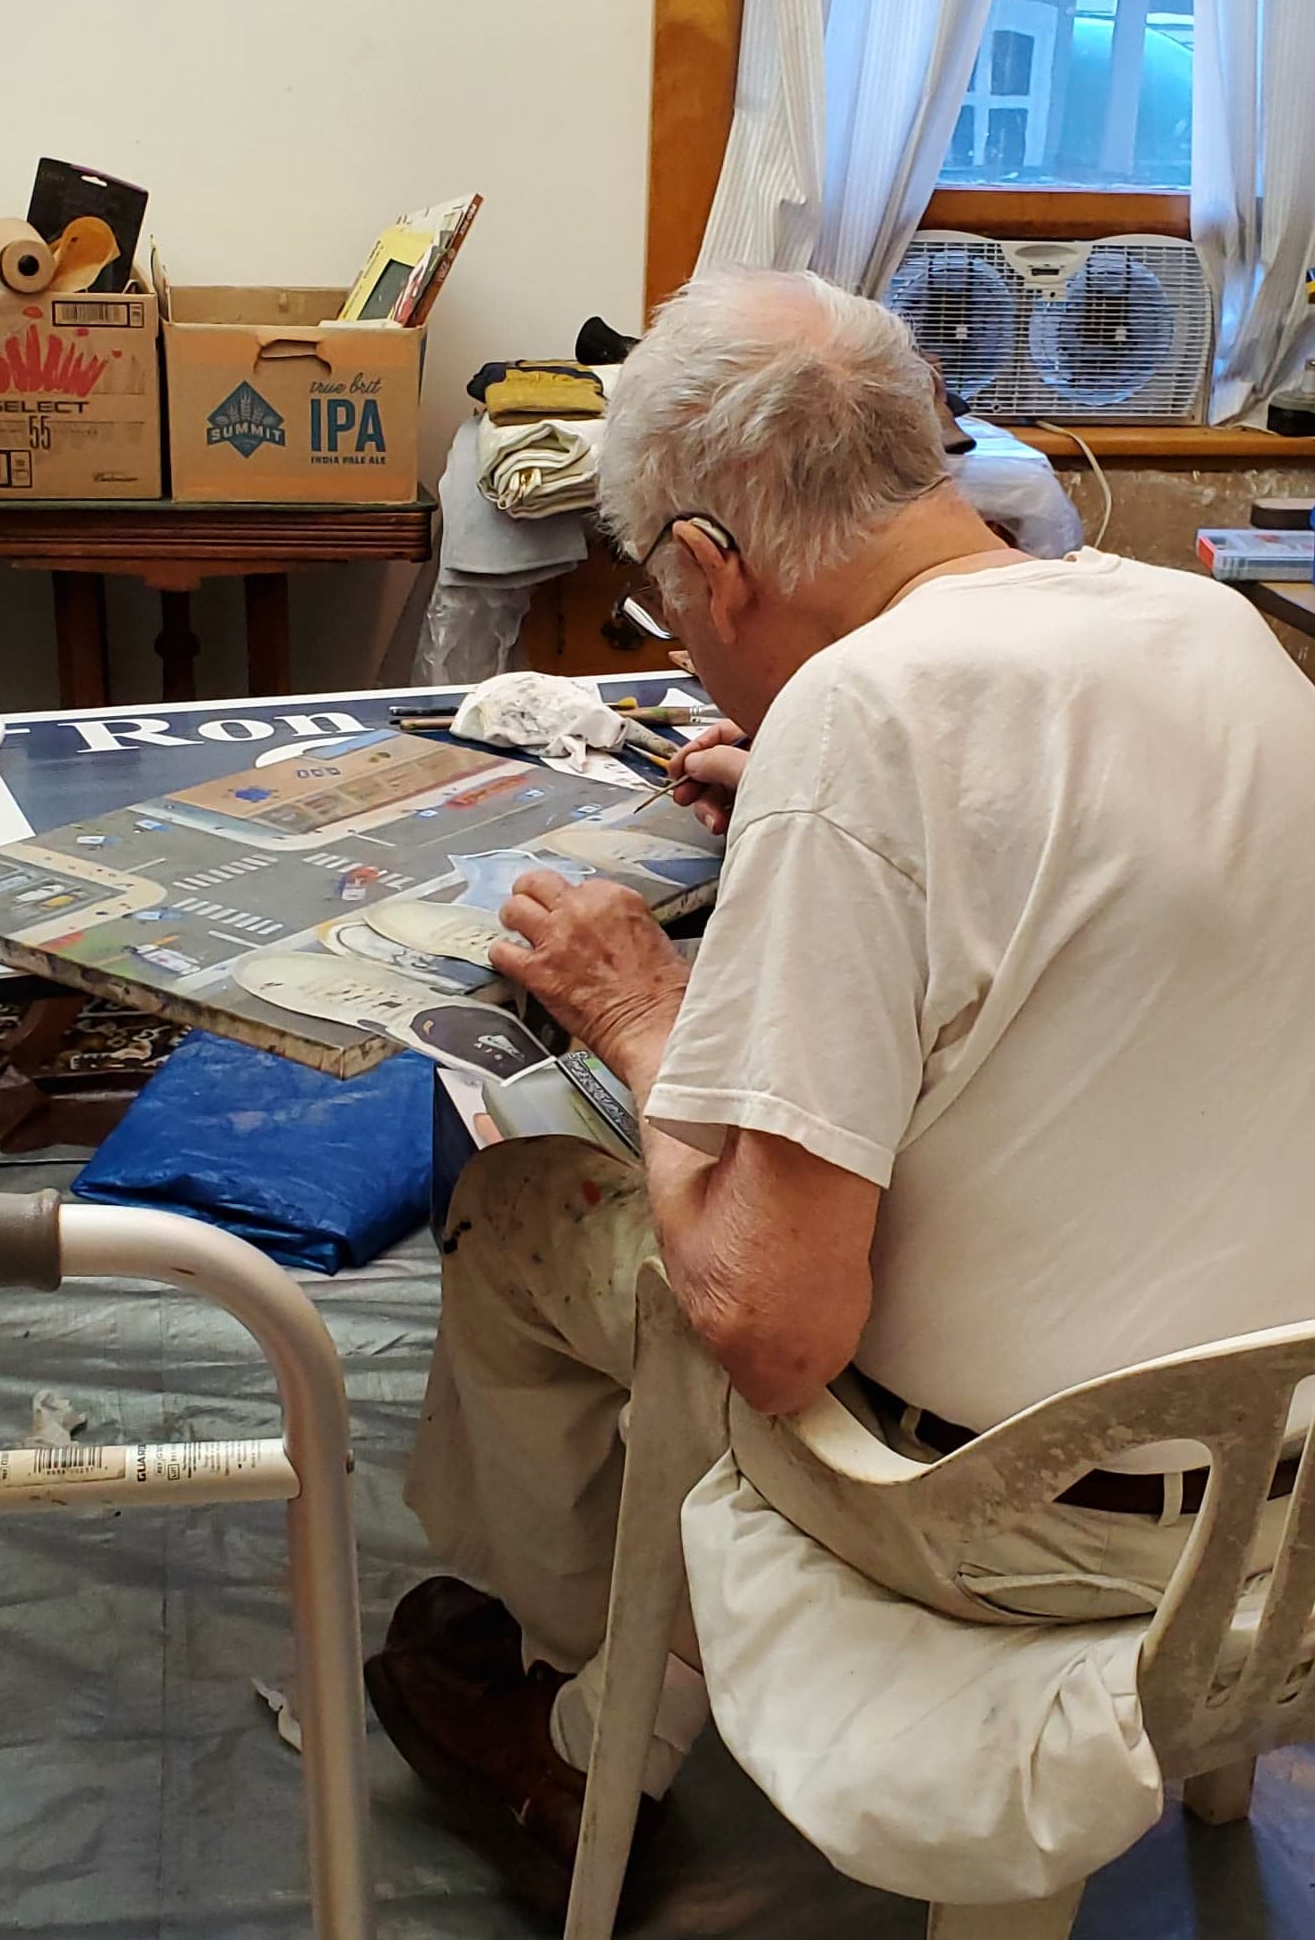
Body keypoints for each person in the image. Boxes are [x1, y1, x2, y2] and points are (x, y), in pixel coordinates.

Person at [365, 269, 1315, 1910]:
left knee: (518, 1204)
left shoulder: (862, 718)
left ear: (713, 567)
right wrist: (822, 833)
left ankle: (590, 1713)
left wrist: (643, 1007)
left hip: (1003, 1515)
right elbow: (1065, 861)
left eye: (668, 610)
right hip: (1287, 1464)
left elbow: (773, 1326)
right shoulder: (1212, 624)